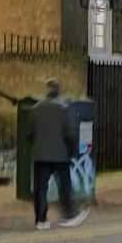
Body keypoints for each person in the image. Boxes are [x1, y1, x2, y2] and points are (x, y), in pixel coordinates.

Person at [26, 78, 89, 231]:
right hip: (61, 155)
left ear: (47, 91)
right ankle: (70, 215)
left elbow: (29, 133)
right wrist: (73, 152)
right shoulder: (64, 108)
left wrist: (37, 146)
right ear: (58, 91)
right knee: (64, 186)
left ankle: (41, 220)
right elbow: (71, 133)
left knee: (41, 188)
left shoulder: (36, 109)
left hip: (41, 155)